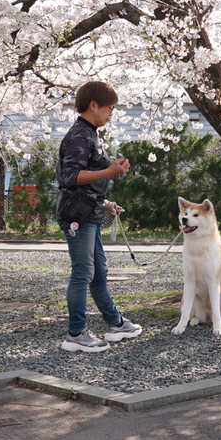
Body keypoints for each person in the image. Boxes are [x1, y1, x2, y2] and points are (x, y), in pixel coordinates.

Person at [56, 80, 143, 353]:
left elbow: (82, 181)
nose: (112, 112)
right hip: (77, 215)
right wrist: (110, 173)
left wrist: (104, 202)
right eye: (110, 107)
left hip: (88, 211)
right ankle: (76, 333)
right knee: (83, 273)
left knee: (97, 272)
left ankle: (115, 323)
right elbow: (71, 177)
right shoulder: (80, 135)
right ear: (93, 105)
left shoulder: (89, 133)